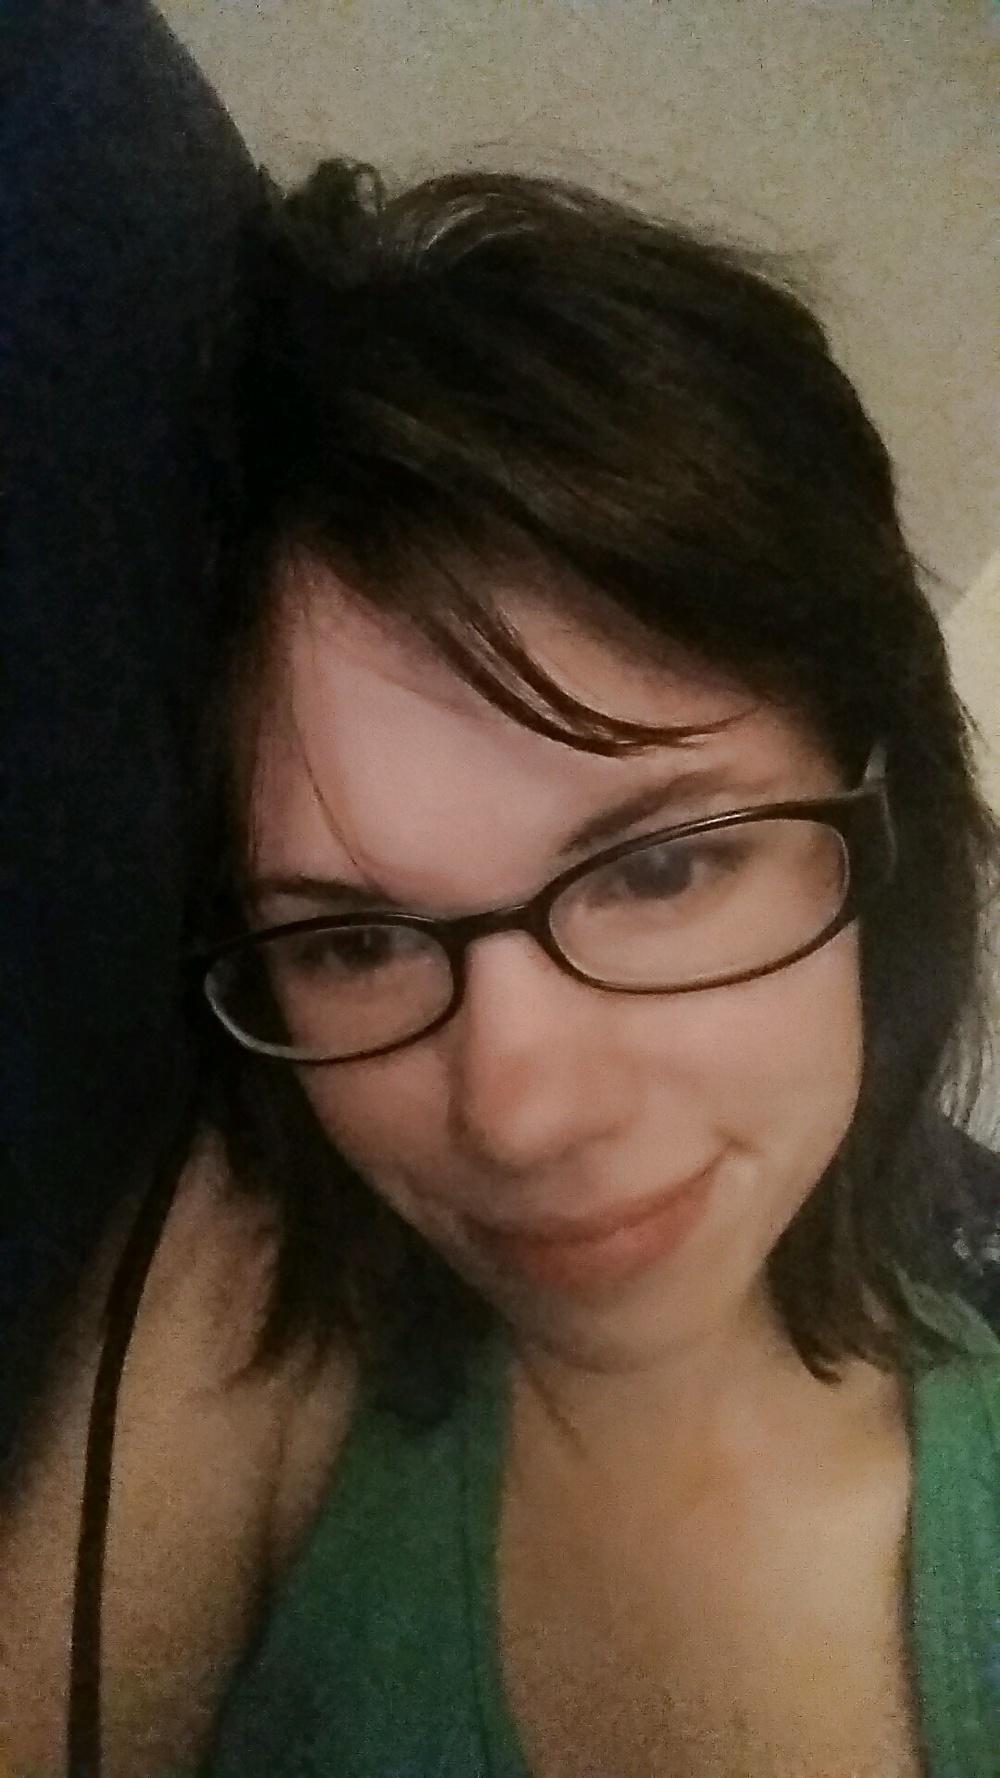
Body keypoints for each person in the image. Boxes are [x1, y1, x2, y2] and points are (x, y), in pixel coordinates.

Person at [5, 161, 999, 1777]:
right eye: (353, 940)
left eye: (661, 867)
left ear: (881, 823)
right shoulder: (268, 1285)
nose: (517, 1116)